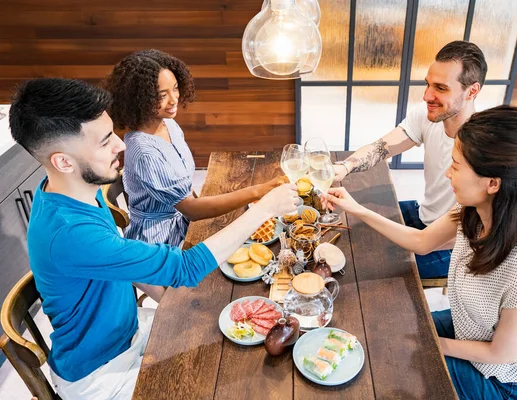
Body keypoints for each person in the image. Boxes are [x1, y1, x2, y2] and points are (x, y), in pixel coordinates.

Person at [9, 77, 299, 400]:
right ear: (63, 161)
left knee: (228, 344)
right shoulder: (70, 233)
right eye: (105, 142)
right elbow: (185, 267)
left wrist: (177, 305)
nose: (121, 145)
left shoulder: (75, 191)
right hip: (100, 373)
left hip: (129, 330)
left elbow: (128, 266)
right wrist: (263, 210)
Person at [326, 105, 517, 400]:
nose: (448, 173)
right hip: (469, 328)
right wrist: (355, 208)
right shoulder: (475, 211)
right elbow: (421, 242)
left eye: (456, 166)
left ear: (492, 183)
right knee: (388, 330)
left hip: (504, 381)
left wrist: (433, 345)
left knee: (393, 369)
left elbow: (501, 353)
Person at [332, 41, 487, 279]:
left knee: (363, 265)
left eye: (441, 88)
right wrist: (344, 167)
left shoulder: (487, 144)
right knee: (348, 228)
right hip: (425, 214)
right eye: (427, 84)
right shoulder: (428, 116)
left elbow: (427, 242)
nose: (427, 96)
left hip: (456, 247)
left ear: (472, 91)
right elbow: (381, 148)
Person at [104, 49, 286, 248]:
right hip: (159, 243)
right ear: (139, 99)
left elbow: (187, 193)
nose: (173, 100)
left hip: (185, 220)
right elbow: (192, 210)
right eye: (162, 95)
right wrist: (259, 190)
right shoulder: (144, 151)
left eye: (175, 88)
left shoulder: (168, 125)